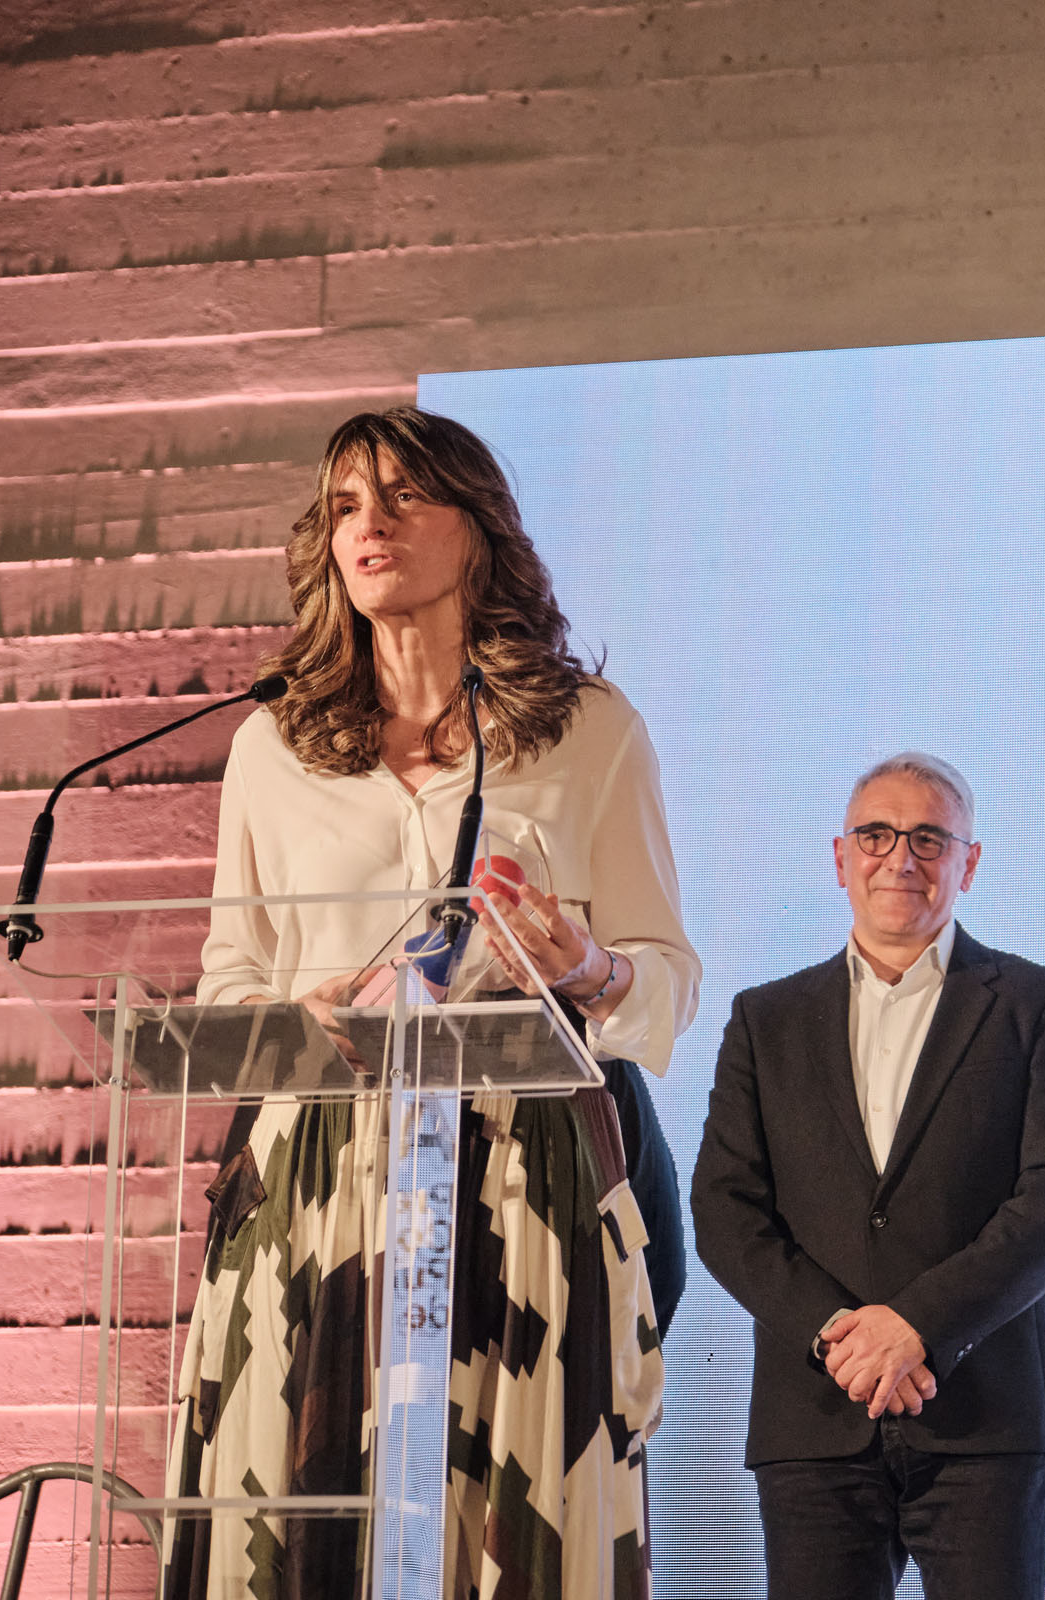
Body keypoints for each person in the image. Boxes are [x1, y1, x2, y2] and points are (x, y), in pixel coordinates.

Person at [171, 406, 702, 1600]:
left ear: (480, 529)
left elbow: (666, 977)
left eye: (405, 496)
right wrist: (297, 1018)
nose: (371, 525)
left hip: (521, 1180)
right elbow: (229, 979)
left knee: (502, 1529)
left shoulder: (588, 733)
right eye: (346, 505)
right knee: (309, 1523)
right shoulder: (271, 746)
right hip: (319, 1183)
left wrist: (589, 968)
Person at [690, 753, 1045, 1600]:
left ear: (968, 863)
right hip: (815, 1422)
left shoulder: (1039, 1005)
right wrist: (839, 1337)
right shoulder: (765, 1019)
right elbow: (725, 1211)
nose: (900, 858)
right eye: (876, 835)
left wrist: (919, 1327)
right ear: (841, 857)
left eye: (928, 838)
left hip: (989, 1420)